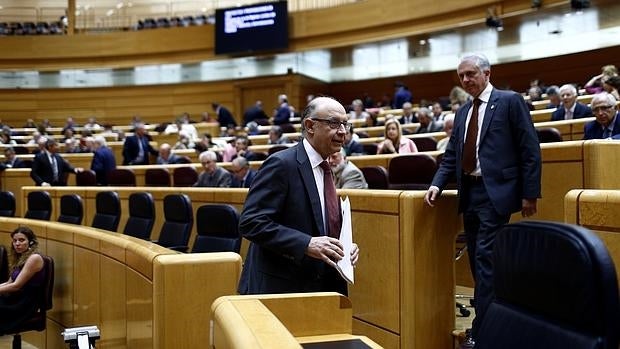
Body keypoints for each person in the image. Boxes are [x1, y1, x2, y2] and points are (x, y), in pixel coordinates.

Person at [424, 53, 541, 349]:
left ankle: (481, 329)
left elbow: (529, 148)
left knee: (485, 258)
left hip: (496, 192)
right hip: (470, 193)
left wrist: (529, 193)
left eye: (471, 74)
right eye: (461, 76)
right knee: (479, 261)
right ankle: (498, 314)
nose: (465, 80)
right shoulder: (463, 112)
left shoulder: (510, 101)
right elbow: (451, 156)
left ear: (487, 73)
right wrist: (437, 184)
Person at [238, 96, 359, 295]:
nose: (343, 131)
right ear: (310, 126)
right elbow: (251, 222)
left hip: (320, 287)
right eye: (334, 123)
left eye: (345, 124)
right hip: (281, 289)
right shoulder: (281, 164)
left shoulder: (327, 168)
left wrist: (344, 246)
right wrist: (306, 243)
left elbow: (320, 223)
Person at [0, 226, 46, 334]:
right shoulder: (21, 257)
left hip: (25, 303)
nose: (17, 243)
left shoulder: (34, 258)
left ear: (30, 242)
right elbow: (9, 283)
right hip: (15, 299)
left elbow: (16, 286)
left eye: (21, 240)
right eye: (15, 241)